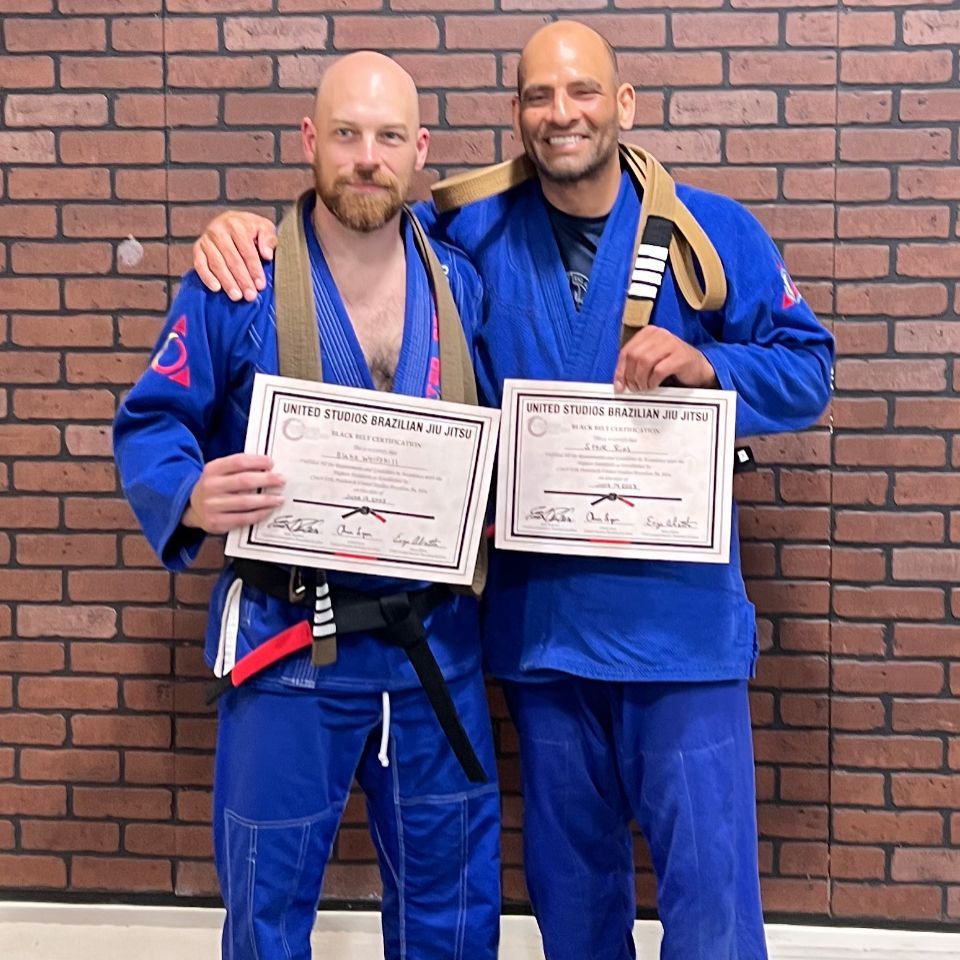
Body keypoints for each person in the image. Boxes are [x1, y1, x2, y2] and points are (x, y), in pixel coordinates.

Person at [190, 22, 834, 960]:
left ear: (625, 105)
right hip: (541, 636)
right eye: (538, 95)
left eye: (583, 91)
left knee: (712, 901)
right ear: (517, 115)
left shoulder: (712, 230)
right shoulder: (474, 230)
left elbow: (809, 372)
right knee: (573, 901)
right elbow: (357, 228)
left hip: (679, 632)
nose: (561, 113)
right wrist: (250, 230)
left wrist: (713, 363)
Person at [114, 52, 500, 960]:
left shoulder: (460, 284)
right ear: (309, 142)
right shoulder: (237, 279)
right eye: (346, 134)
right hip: (289, 645)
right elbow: (153, 424)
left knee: (452, 917)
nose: (367, 157)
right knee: (267, 911)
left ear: (419, 151)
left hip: (432, 648)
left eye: (389, 137)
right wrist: (189, 492)